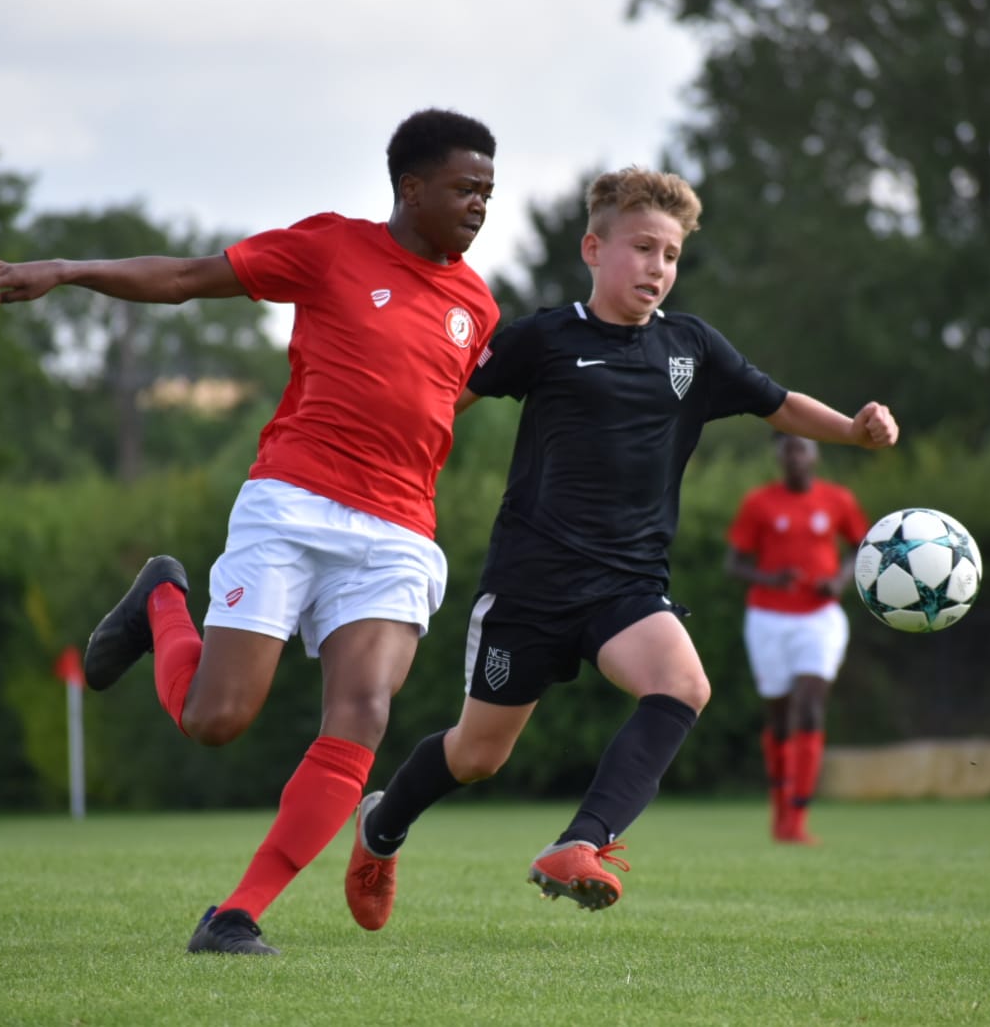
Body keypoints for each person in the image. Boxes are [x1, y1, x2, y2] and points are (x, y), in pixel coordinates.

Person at [0, 108, 500, 956]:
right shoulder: (329, 248)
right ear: (411, 187)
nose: (479, 206)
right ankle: (161, 601)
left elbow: (442, 396)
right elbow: (182, 276)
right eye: (465, 188)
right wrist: (66, 270)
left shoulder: (478, 303)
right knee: (215, 719)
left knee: (361, 714)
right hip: (291, 505)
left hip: (398, 530)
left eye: (489, 193)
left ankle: (236, 914)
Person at [342, 167, 899, 931]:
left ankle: (580, 844)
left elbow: (776, 403)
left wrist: (851, 429)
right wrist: (368, 462)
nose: (657, 269)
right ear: (593, 248)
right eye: (642, 249)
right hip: (530, 585)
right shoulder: (542, 339)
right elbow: (437, 404)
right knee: (478, 755)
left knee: (682, 686)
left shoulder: (691, 347)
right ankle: (380, 828)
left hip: (626, 585)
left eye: (669, 255)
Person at [725, 433, 870, 844]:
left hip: (819, 619)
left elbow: (861, 546)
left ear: (815, 454)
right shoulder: (759, 503)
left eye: (801, 447)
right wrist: (770, 578)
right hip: (768, 619)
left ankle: (798, 819)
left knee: (809, 707)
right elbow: (733, 564)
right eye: (786, 448)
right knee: (779, 715)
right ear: (778, 457)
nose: (794, 455)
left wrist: (840, 580)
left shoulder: (838, 500)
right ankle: (780, 812)